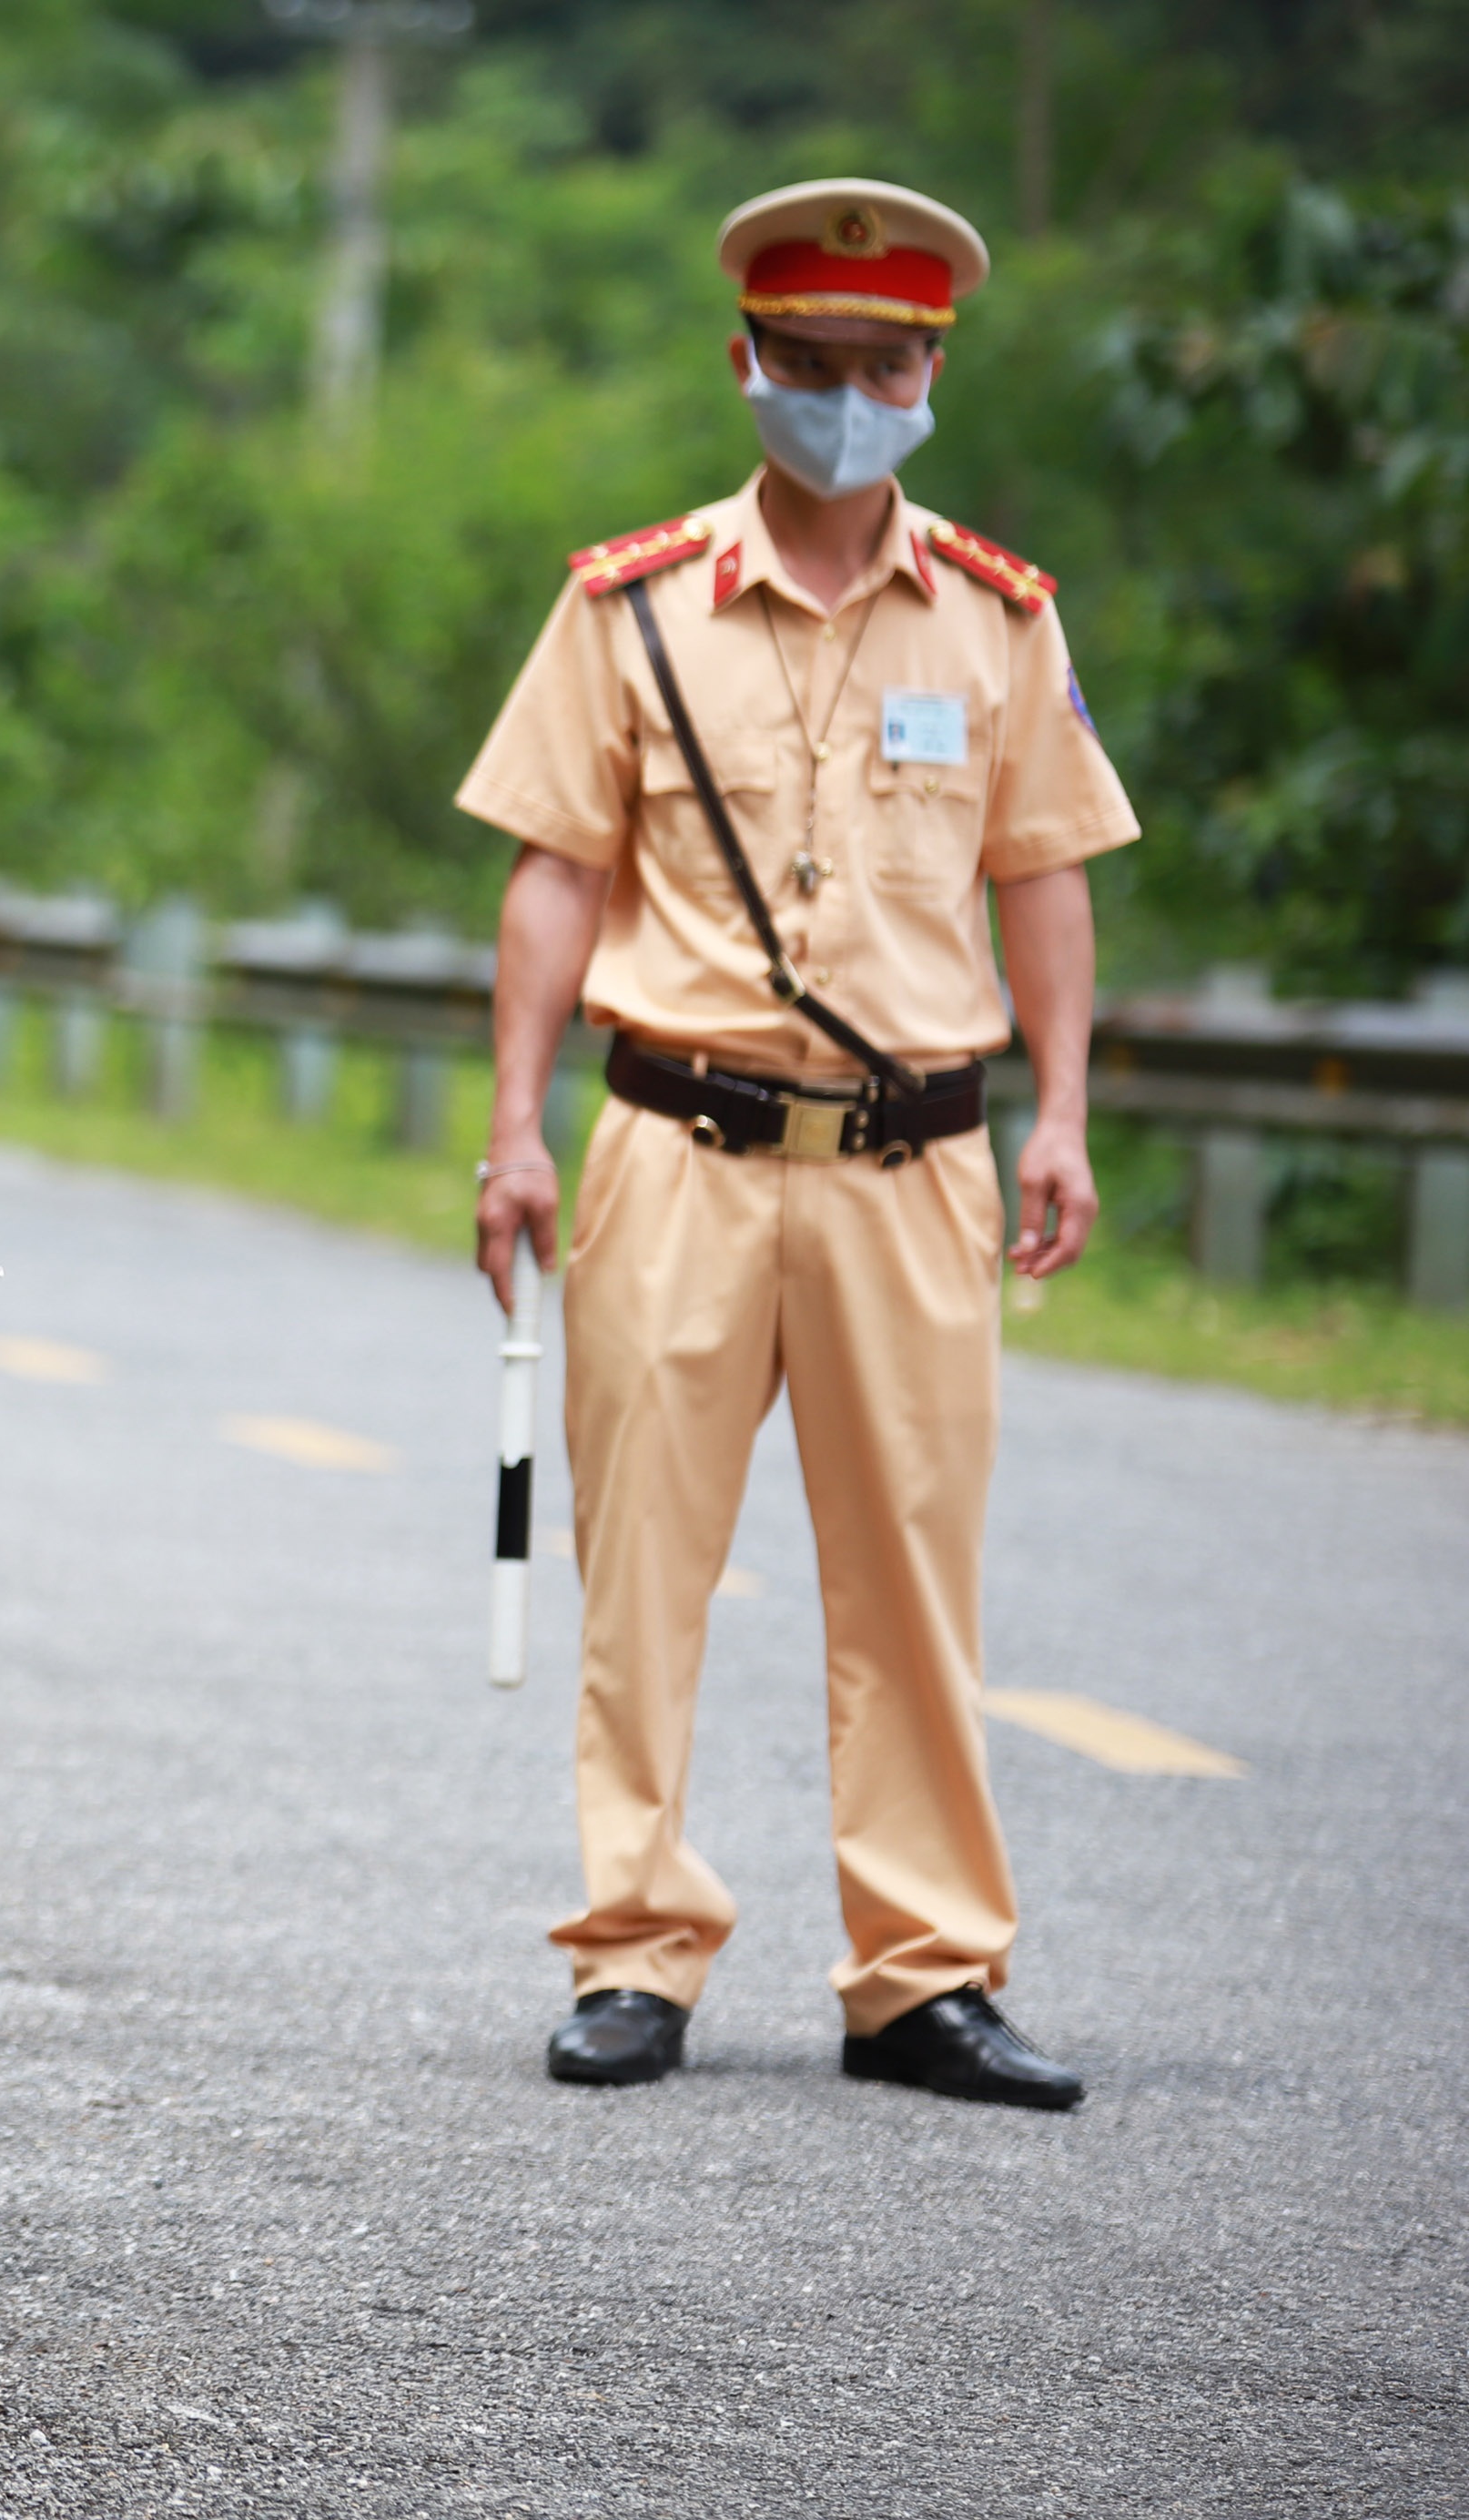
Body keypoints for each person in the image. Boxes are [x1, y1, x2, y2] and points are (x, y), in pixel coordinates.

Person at [461, 178, 1134, 2110]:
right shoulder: (629, 605)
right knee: (642, 1565)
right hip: (671, 1142)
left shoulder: (1002, 619)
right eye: (814, 361)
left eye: (887, 363)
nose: (849, 394)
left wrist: (1063, 1115)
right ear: (745, 358)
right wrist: (512, 1127)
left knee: (913, 1575)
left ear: (933, 374)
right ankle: (633, 1947)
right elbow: (550, 877)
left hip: (912, 1160)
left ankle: (921, 1973)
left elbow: (1049, 880)